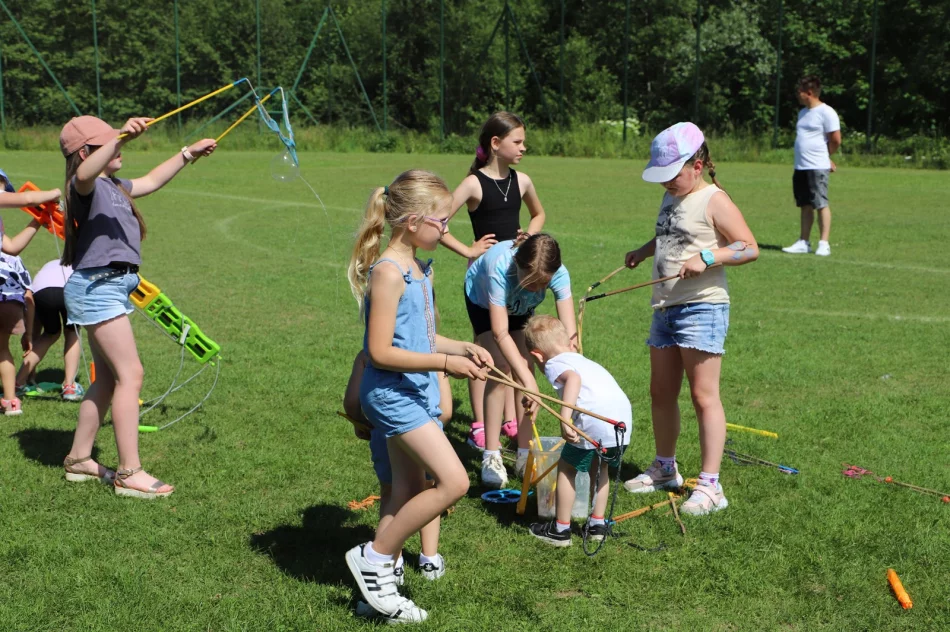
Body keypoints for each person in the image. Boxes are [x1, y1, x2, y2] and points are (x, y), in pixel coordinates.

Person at [344, 170, 491, 624]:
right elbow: (381, 351)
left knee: (406, 489)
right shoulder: (388, 272)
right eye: (441, 222)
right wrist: (447, 365)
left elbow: (422, 338)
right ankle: (374, 556)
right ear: (412, 222)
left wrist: (462, 347)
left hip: (407, 390)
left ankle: (376, 590)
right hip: (391, 395)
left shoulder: (418, 268)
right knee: (454, 482)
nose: (446, 230)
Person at [58, 115, 216, 496]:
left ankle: (80, 460)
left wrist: (186, 154)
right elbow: (83, 174)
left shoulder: (114, 186)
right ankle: (130, 473)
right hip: (98, 286)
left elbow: (151, 181)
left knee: (110, 379)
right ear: (86, 153)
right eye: (108, 143)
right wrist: (121, 137)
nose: (119, 146)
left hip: (110, 285)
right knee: (132, 375)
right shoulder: (86, 186)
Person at [622, 122, 758, 516]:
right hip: (665, 307)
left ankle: (711, 485)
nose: (667, 183)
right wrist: (645, 251)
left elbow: (748, 247)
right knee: (660, 393)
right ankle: (665, 468)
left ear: (697, 165)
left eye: (673, 174)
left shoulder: (715, 199)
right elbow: (672, 235)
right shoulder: (674, 195)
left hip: (702, 307)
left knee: (703, 396)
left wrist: (709, 257)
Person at [440, 112, 546, 450]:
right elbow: (438, 220)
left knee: (517, 353)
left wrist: (529, 234)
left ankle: (513, 422)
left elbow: (538, 213)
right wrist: (467, 249)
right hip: (485, 283)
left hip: (516, 281)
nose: (523, 148)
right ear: (496, 144)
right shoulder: (473, 183)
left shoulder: (523, 181)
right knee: (487, 355)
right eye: (517, 142)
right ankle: (481, 427)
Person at [464, 234, 576, 489]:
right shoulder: (499, 269)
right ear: (517, 262)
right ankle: (491, 455)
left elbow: (569, 336)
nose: (535, 288)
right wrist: (529, 382)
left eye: (541, 284)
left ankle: (524, 454)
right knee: (502, 367)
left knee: (525, 366)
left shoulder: (558, 273)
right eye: (530, 282)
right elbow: (500, 332)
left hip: (519, 308)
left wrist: (573, 370)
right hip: (483, 303)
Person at [523, 315, 632, 547]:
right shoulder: (582, 359)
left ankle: (561, 530)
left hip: (594, 422)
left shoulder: (554, 363)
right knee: (600, 466)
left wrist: (565, 419)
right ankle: (597, 525)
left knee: (567, 468)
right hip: (620, 421)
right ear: (570, 343)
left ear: (537, 356)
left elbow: (573, 380)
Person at [782, 75, 841, 257]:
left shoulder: (827, 112)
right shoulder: (803, 113)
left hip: (817, 166)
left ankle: (824, 243)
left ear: (809, 93)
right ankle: (804, 242)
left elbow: (835, 140)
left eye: (800, 92)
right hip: (801, 166)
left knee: (821, 203)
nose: (798, 96)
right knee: (805, 205)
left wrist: (825, 157)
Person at [16, 259, 83, 401]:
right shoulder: (80, 264)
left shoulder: (47, 267)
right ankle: (69, 386)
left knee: (50, 334)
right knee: (72, 332)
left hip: (41, 293)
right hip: (70, 290)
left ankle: (18, 382)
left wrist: (28, 336)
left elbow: (35, 327)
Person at [0, 253, 33, 415]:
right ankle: (11, 401)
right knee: (2, 349)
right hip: (10, 299)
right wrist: (29, 333)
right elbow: (28, 294)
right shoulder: (12, 256)